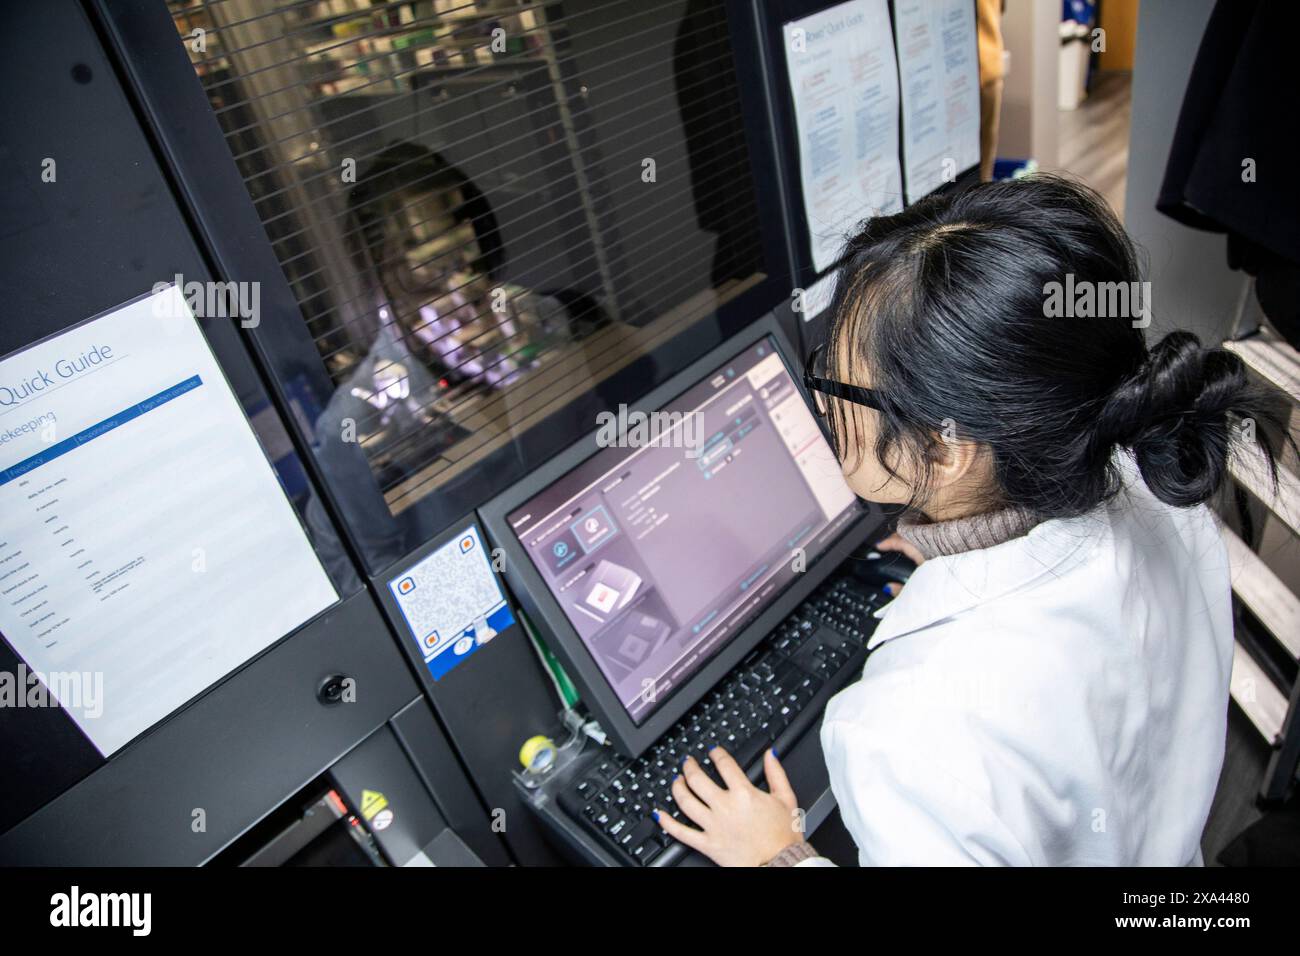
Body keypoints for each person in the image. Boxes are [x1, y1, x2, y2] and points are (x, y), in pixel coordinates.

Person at [651, 174, 1293, 866]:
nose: (823, 406)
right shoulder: (1161, 477)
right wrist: (957, 557)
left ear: (946, 448)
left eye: (834, 383)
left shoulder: (905, 731)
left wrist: (777, 853)